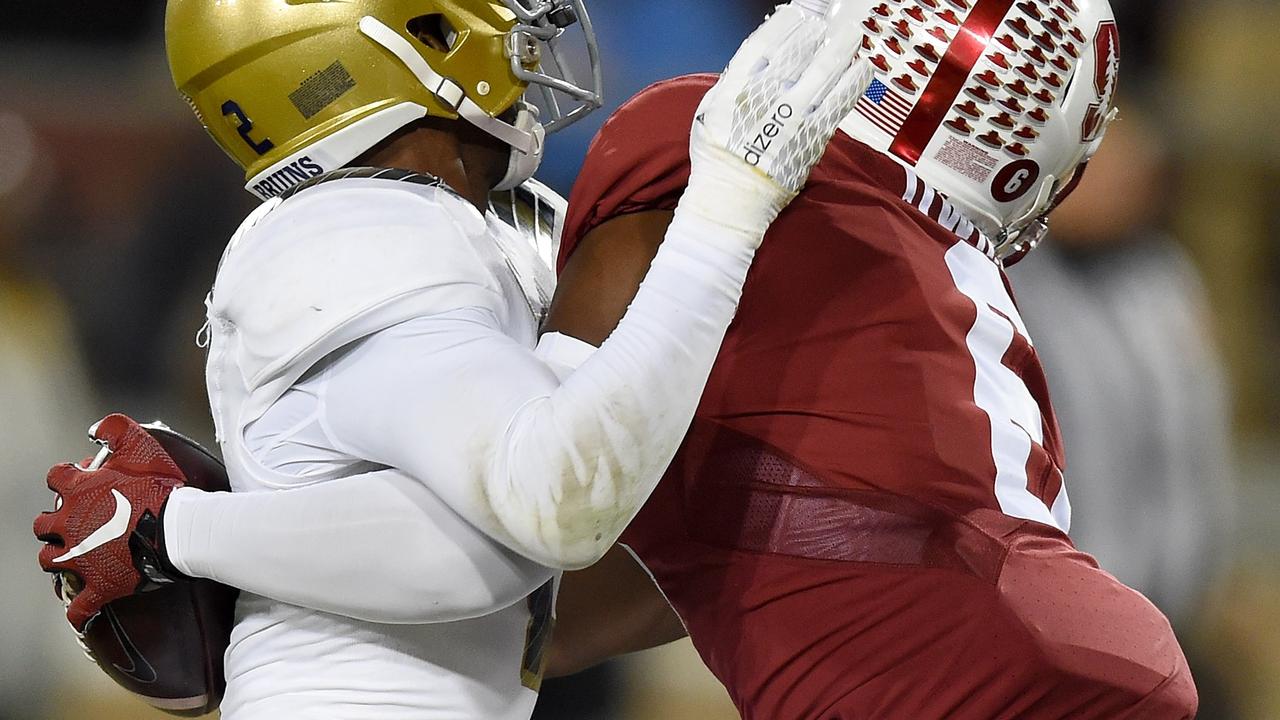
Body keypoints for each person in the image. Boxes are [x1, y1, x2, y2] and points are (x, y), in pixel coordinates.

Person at [32, 1, 868, 719]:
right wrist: (728, 205)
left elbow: (550, 585)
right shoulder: (353, 228)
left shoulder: (469, 228)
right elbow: (553, 501)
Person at [541, 1, 1200, 718]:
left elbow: (540, 558)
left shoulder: (705, 152)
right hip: (1099, 652)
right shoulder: (961, 287)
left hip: (978, 675)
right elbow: (744, 556)